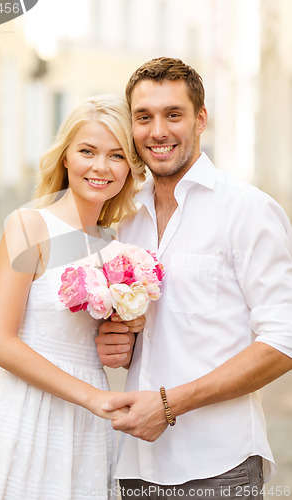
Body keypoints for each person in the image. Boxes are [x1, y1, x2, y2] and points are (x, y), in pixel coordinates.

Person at [95, 57, 292, 499]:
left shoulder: (246, 210)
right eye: (144, 117)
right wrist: (116, 342)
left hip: (218, 466)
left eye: (174, 114)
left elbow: (283, 342)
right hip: (135, 464)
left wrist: (168, 406)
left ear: (201, 120)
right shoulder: (125, 218)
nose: (158, 131)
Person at [0, 94, 146, 499]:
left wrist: (122, 341)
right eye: (87, 151)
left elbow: (100, 341)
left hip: (87, 426)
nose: (101, 166)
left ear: (130, 168)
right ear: (65, 157)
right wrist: (94, 397)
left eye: (116, 156)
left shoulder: (117, 245)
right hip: (25, 412)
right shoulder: (30, 225)